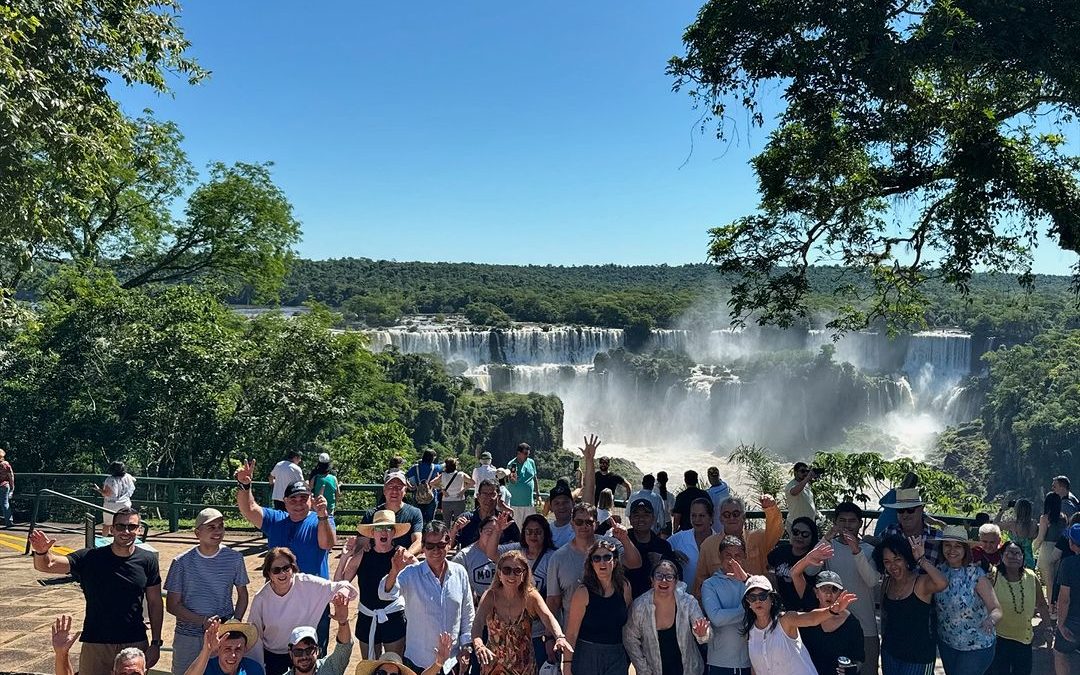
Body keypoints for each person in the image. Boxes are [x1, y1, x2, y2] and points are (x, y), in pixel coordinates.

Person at [31, 508, 162, 675]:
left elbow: (155, 602)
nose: (126, 531)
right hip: (96, 641)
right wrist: (42, 551)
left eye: (132, 527)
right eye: (121, 526)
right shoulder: (90, 558)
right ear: (112, 529)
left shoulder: (147, 560)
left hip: (134, 641)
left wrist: (156, 643)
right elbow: (47, 565)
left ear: (139, 529)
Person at [165, 508, 251, 675]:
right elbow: (172, 605)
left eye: (220, 526)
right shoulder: (181, 562)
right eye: (211, 527)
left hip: (222, 635)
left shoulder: (235, 558)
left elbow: (243, 595)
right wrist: (202, 621)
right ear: (198, 533)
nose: (217, 531)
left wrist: (234, 625)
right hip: (188, 636)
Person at [381, 521, 475, 672]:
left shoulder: (460, 573)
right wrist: (394, 571)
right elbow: (385, 593)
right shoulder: (411, 574)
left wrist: (466, 646)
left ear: (449, 543)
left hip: (452, 662)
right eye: (430, 546)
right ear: (423, 547)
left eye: (441, 545)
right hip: (419, 662)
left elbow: (467, 614)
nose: (436, 551)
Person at [247, 547, 356, 675]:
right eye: (276, 570)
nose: (282, 574)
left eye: (286, 568)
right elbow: (254, 636)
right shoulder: (261, 599)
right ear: (269, 573)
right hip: (274, 657)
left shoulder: (308, 584)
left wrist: (343, 592)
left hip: (306, 651)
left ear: (292, 568)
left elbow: (343, 586)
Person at [472, 550, 572, 675]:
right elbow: (478, 622)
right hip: (494, 666)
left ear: (524, 575)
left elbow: (548, 617)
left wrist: (559, 637)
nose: (511, 575)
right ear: (499, 574)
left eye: (517, 571)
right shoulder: (491, 596)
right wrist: (478, 644)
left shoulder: (530, 596)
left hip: (524, 667)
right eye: (507, 570)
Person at [545, 504, 643, 628]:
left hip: (611, 632)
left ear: (596, 524)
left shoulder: (610, 546)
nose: (584, 526)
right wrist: (550, 636)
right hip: (573, 632)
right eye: (579, 522)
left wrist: (625, 539)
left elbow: (635, 563)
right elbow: (553, 601)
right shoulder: (558, 557)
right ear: (572, 523)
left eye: (589, 522)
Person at [739, 574, 857, 675]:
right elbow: (756, 669)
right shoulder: (749, 631)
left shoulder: (786, 619)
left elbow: (811, 618)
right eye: (752, 597)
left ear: (772, 598)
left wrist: (832, 610)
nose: (758, 601)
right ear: (748, 602)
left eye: (762, 596)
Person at [484, 512, 560, 668]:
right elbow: (491, 553)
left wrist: (552, 635)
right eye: (529, 531)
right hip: (509, 632)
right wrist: (497, 530)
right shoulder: (516, 551)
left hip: (537, 632)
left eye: (538, 532)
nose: (533, 535)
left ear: (545, 534)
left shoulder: (553, 557)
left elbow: (553, 599)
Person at [236, 461, 336, 578]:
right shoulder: (275, 520)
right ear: (285, 501)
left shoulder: (322, 520)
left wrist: (322, 516)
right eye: (293, 499)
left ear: (311, 499)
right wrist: (244, 485)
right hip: (279, 591)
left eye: (303, 498)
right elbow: (249, 509)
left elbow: (327, 545)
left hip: (313, 591)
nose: (298, 504)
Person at [334, 510, 412, 659]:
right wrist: (344, 557)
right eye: (378, 528)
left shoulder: (402, 556)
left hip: (394, 616)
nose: (384, 532)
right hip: (367, 616)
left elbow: (420, 575)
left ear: (394, 532)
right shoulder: (362, 555)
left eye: (388, 528)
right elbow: (339, 585)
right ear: (372, 533)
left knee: (394, 665)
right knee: (369, 666)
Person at [820, 502, 880, 675]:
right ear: (835, 523)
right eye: (842, 521)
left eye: (852, 521)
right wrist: (825, 540)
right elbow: (810, 570)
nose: (847, 525)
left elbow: (871, 581)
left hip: (866, 627)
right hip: (834, 624)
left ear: (860, 523)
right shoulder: (827, 547)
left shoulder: (869, 550)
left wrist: (856, 551)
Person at [874, 534, 948, 675]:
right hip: (890, 652)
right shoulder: (887, 583)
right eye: (887, 562)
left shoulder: (921, 582)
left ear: (906, 559)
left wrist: (922, 560)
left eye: (898, 559)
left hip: (918, 657)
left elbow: (942, 583)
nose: (893, 566)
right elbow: (885, 616)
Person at [624, 559, 710, 675]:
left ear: (676, 581)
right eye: (659, 576)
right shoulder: (639, 606)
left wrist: (702, 634)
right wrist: (644, 670)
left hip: (688, 670)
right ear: (652, 580)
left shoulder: (689, 602)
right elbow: (630, 638)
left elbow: (707, 635)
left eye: (669, 577)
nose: (664, 580)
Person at [564, 540, 633, 675]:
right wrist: (567, 665)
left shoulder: (624, 587)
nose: (602, 562)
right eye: (597, 558)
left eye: (607, 557)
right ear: (591, 563)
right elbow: (572, 633)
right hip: (587, 655)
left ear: (615, 562)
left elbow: (629, 624)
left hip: (617, 653)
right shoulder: (582, 592)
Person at [694, 495, 783, 596]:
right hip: (723, 603)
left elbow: (776, 531)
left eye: (736, 514)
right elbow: (700, 580)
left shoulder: (759, 538)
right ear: (721, 519)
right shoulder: (708, 545)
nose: (731, 518)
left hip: (757, 599)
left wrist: (770, 508)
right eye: (726, 515)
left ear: (743, 517)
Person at [988, 540, 1049, 675]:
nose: (1013, 557)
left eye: (1017, 553)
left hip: (1024, 639)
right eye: (1008, 553)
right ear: (1002, 556)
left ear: (1023, 557)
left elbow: (1041, 604)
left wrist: (1047, 626)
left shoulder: (1031, 576)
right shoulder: (993, 575)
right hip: (998, 639)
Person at [791, 568, 866, 675]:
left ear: (841, 594)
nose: (829, 594)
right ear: (816, 592)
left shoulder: (852, 623)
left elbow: (859, 659)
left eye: (834, 589)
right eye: (824, 589)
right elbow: (795, 573)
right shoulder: (806, 618)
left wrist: (852, 669)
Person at [700, 535, 753, 675]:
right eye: (728, 555)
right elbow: (717, 618)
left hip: (750, 660)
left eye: (738, 555)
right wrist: (749, 609)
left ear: (745, 556)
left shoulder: (752, 583)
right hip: (720, 661)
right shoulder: (709, 584)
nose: (733, 560)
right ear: (719, 556)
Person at [282, 594, 355, 675]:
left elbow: (344, 646)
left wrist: (343, 622)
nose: (304, 656)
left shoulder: (331, 667)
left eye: (309, 650)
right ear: (290, 653)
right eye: (298, 652)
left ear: (317, 650)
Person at [624, 498, 679, 598]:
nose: (641, 519)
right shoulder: (621, 541)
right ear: (630, 519)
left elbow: (675, 575)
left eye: (646, 515)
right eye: (636, 516)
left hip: (654, 602)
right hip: (625, 600)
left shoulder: (663, 546)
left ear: (653, 518)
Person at [360, 471, 424, 555]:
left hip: (404, 563)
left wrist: (405, 556)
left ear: (405, 491)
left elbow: (418, 541)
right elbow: (360, 543)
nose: (394, 490)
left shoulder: (414, 513)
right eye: (390, 486)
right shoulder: (371, 514)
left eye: (399, 487)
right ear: (384, 490)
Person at [879, 488, 943, 568]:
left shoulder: (938, 537)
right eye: (900, 510)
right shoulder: (889, 531)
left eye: (910, 510)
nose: (905, 515)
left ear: (921, 510)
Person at [767, 516, 820, 611]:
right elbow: (768, 568)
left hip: (805, 609)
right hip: (781, 607)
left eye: (805, 534)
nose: (799, 536)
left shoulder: (814, 558)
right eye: (796, 532)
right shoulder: (780, 551)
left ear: (812, 537)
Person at [182, 619, 264, 675]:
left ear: (245, 649)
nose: (233, 655)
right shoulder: (204, 668)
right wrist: (207, 651)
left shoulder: (253, 669)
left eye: (238, 649)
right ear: (218, 649)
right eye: (227, 649)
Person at [667, 497, 713, 594]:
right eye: (693, 515)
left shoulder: (719, 542)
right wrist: (672, 554)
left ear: (711, 517)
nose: (697, 520)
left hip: (713, 601)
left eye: (702, 515)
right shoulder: (679, 538)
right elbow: (659, 553)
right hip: (684, 603)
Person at [452, 514, 502, 603]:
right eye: (489, 532)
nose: (492, 535)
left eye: (496, 532)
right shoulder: (465, 556)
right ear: (480, 531)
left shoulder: (504, 552)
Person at [456, 478, 520, 547]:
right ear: (478, 496)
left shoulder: (506, 522)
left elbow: (518, 546)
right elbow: (449, 544)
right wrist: (454, 530)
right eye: (485, 494)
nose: (489, 498)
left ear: (498, 497)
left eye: (492, 494)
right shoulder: (466, 519)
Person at [1054, 523, 1080, 675]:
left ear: (1071, 544)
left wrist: (1061, 624)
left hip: (1073, 620)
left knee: (1060, 653)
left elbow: (1064, 599)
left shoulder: (1068, 564)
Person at [1037, 491, 1067, 616]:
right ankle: (1058, 610)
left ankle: (1051, 611)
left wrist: (1033, 547)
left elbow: (1040, 537)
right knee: (1057, 582)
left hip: (1047, 549)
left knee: (1049, 583)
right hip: (1060, 550)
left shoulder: (1045, 518)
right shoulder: (1064, 518)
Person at [92, 461, 136, 537]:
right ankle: (124, 539)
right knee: (123, 524)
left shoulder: (110, 480)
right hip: (125, 504)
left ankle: (104, 540)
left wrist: (98, 489)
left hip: (111, 505)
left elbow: (107, 493)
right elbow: (134, 480)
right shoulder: (128, 477)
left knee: (107, 524)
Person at [874, 472, 919, 539]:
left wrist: (890, 509)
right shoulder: (910, 498)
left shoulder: (893, 491)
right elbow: (918, 514)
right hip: (893, 529)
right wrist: (937, 523)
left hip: (882, 522)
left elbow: (881, 502)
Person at [995, 498, 1037, 568]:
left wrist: (1002, 510)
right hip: (1029, 560)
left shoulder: (1013, 524)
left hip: (1015, 558)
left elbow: (994, 525)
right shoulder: (1034, 524)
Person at [505, 442, 540, 526]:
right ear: (518, 453)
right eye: (525, 453)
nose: (527, 455)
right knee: (516, 528)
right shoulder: (512, 464)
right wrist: (513, 478)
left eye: (528, 453)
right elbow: (512, 482)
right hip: (515, 504)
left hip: (529, 503)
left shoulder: (531, 462)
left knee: (530, 526)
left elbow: (534, 478)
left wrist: (538, 494)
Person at [406, 450, 442, 524]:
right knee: (430, 519)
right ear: (432, 458)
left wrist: (409, 487)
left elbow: (405, 476)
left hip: (418, 495)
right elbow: (444, 466)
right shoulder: (435, 468)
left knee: (418, 518)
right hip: (431, 496)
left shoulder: (415, 468)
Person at [784, 463, 821, 534]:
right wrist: (807, 478)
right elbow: (794, 492)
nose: (805, 473)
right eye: (802, 471)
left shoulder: (806, 484)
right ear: (795, 472)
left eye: (807, 471)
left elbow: (808, 501)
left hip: (809, 523)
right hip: (796, 524)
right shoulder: (791, 485)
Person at [439, 457, 473, 524]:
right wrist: (463, 490)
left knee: (446, 522)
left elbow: (432, 483)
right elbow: (472, 482)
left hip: (446, 501)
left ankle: (446, 534)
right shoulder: (461, 474)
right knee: (458, 522)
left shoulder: (443, 475)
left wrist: (442, 489)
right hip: (459, 500)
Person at [547, 480, 576, 547]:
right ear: (551, 507)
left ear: (573, 504)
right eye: (557, 503)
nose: (561, 506)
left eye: (565, 502)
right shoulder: (547, 530)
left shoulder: (579, 528)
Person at [704, 467, 731, 533]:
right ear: (718, 476)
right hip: (727, 523)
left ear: (709, 477)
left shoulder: (710, 493)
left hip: (716, 527)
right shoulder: (724, 485)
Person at [653, 471, 675, 536]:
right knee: (666, 544)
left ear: (657, 479)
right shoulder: (670, 496)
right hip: (666, 523)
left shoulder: (652, 492)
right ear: (667, 480)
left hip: (654, 523)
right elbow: (672, 512)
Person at [0, 446, 14, 527]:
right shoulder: (5, 464)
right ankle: (9, 522)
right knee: (5, 503)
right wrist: (12, 488)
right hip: (4, 485)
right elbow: (11, 476)